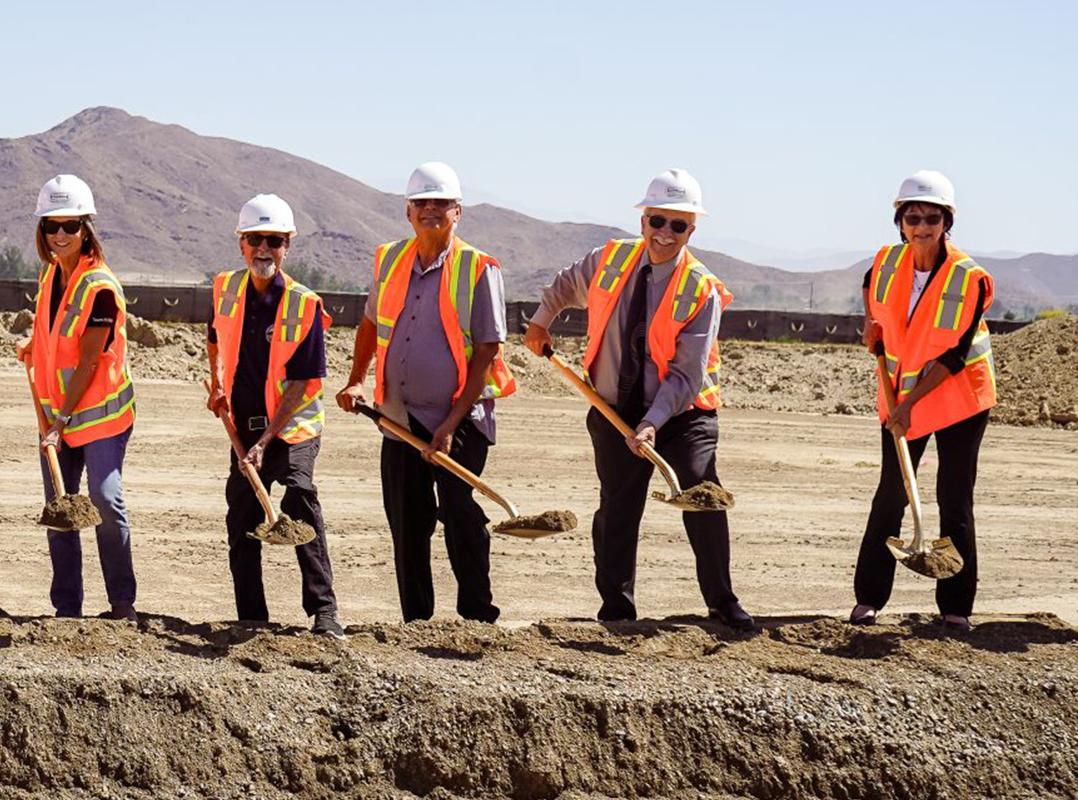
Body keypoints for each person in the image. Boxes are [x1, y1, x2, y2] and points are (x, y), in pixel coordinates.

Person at [521, 169, 755, 631]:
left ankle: (722, 602)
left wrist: (652, 422)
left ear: (692, 229)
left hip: (683, 413)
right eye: (657, 221)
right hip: (612, 408)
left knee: (699, 493)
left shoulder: (699, 287)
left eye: (678, 225)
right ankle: (617, 607)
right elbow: (566, 284)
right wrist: (541, 321)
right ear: (643, 219)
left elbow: (687, 373)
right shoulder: (610, 258)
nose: (665, 234)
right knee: (617, 507)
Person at [335, 162, 516, 624]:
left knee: (459, 513)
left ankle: (478, 616)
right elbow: (371, 324)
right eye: (421, 203)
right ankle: (416, 622)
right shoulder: (389, 259)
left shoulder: (479, 268)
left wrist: (451, 425)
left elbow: (487, 351)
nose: (430, 210)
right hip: (398, 419)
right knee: (407, 524)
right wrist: (358, 378)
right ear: (408, 211)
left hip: (461, 419)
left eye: (440, 203)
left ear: (458, 211)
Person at [851, 170, 995, 628]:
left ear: (946, 220)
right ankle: (868, 598)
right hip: (899, 396)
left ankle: (956, 608)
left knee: (954, 497)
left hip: (957, 399)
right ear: (900, 221)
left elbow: (955, 355)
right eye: (912, 216)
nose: (921, 225)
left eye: (932, 217)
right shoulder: (884, 262)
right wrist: (870, 333)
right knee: (890, 494)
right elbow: (873, 305)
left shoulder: (969, 278)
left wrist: (908, 407)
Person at [206, 193, 343, 637]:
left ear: (287, 247)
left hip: (293, 427)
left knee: (298, 496)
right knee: (242, 517)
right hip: (242, 426)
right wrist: (218, 386)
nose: (263, 249)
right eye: (255, 239)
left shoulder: (305, 305)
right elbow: (214, 337)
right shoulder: (225, 287)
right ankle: (252, 618)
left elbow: (304, 383)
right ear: (241, 243)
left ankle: (324, 612)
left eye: (274, 240)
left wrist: (267, 442)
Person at [18, 174, 137, 620]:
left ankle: (122, 604)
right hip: (57, 416)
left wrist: (61, 422)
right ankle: (67, 609)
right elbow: (56, 339)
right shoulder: (52, 275)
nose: (61, 235)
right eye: (52, 226)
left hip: (98, 415)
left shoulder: (100, 287)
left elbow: (89, 361)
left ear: (86, 228)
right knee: (61, 511)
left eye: (70, 226)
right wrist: (33, 348)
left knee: (105, 501)